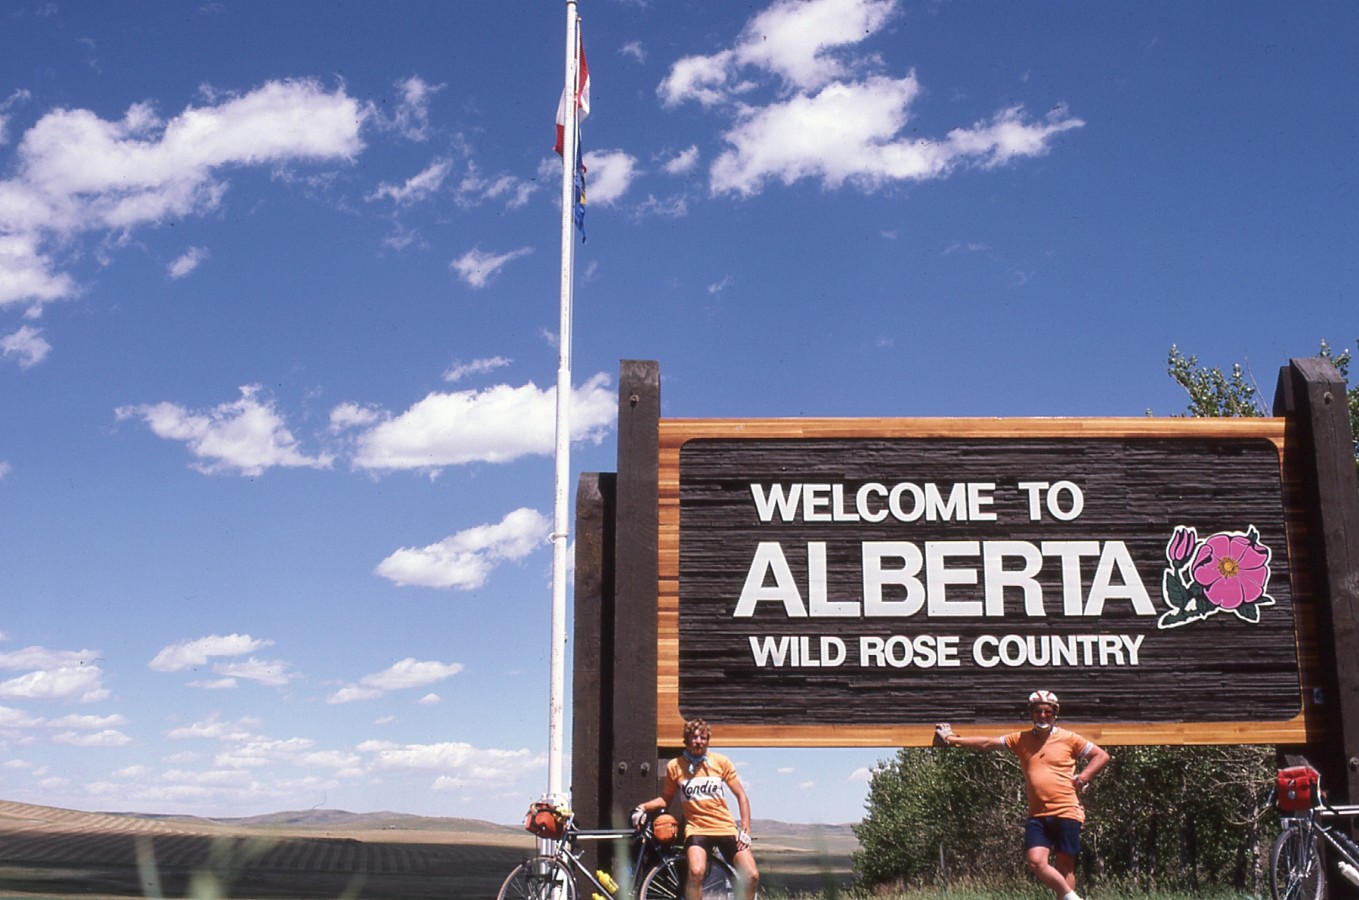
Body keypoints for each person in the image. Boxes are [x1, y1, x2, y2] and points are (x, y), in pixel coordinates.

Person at [935, 690, 1109, 900]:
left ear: (1055, 713)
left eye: (1047, 711)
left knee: (1066, 866)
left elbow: (1101, 755)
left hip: (1067, 811)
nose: (1043, 716)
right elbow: (987, 744)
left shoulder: (1069, 738)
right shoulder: (1020, 739)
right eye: (1038, 711)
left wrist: (1083, 778)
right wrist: (953, 739)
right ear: (1031, 713)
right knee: (1036, 862)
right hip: (1037, 815)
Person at [632, 718, 759, 900]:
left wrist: (745, 828)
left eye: (703, 737)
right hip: (697, 829)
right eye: (694, 737)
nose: (698, 741)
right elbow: (665, 799)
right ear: (686, 739)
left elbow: (741, 796)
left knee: (752, 875)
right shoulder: (675, 767)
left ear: (708, 740)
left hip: (725, 828)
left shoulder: (721, 762)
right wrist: (643, 807)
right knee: (696, 871)